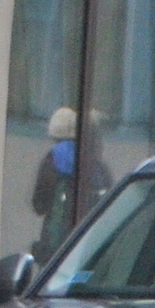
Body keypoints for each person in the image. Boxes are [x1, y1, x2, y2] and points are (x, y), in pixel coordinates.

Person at [29, 105, 110, 258]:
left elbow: (39, 204)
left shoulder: (52, 160)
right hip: (90, 249)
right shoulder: (98, 167)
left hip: (56, 248)